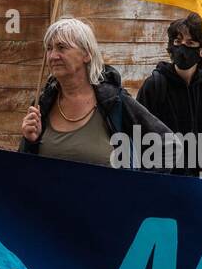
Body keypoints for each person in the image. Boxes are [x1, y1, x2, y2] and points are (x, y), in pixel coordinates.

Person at [21, 18, 171, 167]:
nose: (53, 56)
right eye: (49, 48)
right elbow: (25, 170)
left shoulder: (114, 102)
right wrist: (29, 142)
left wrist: (139, 187)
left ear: (86, 54)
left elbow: (168, 145)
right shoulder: (43, 104)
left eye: (61, 47)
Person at [135, 13, 202, 178]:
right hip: (163, 183)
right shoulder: (154, 86)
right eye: (177, 42)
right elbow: (136, 135)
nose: (181, 48)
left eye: (189, 43)